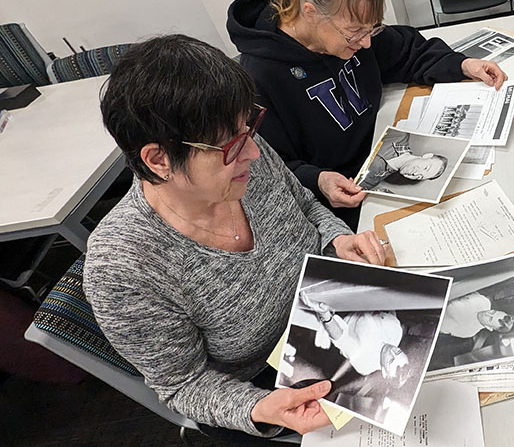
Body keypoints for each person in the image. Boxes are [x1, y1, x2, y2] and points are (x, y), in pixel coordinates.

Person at [84, 35, 387, 440]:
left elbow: (303, 204)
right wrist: (258, 408)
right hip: (272, 384)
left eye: (249, 126)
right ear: (158, 160)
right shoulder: (124, 268)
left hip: (337, 304)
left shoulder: (240, 154)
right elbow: (181, 384)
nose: (253, 152)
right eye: (229, 144)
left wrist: (335, 239)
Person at [226, 0, 507, 229]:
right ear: (310, 13)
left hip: (382, 152)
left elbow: (406, 51)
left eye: (371, 29)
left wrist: (462, 65)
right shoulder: (260, 75)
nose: (366, 43)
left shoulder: (353, 29)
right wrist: (318, 179)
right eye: (354, 33)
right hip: (342, 200)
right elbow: (271, 165)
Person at [296, 293, 412, 388]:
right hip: (357, 297)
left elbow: (339, 336)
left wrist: (324, 314)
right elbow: (389, 307)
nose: (392, 350)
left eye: (391, 359)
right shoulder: (397, 332)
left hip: (333, 318)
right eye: (398, 352)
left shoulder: (365, 364)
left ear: (384, 371)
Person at [357, 131, 447, 190]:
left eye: (420, 176)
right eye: (426, 168)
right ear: (427, 156)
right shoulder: (399, 135)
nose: (415, 174)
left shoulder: (374, 181)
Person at [439, 292, 514, 339]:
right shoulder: (484, 301)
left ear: (489, 328)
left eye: (490, 319)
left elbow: (440, 326)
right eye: (493, 312)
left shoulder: (469, 331)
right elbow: (463, 289)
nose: (486, 313)